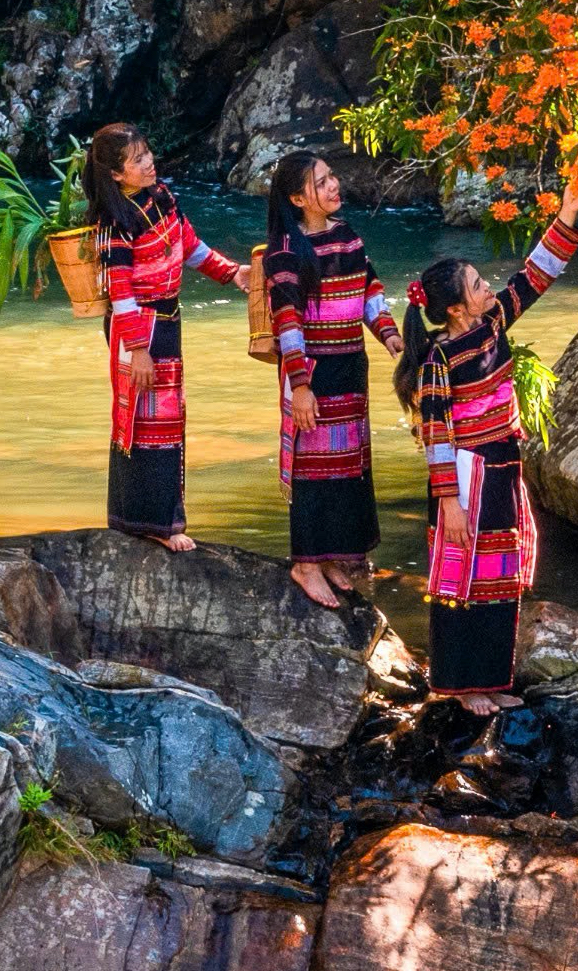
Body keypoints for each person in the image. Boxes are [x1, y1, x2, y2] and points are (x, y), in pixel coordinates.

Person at [393, 185, 578, 715]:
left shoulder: (493, 322)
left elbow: (535, 276)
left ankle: (492, 677)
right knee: (462, 579)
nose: (489, 290)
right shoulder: (437, 359)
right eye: (478, 287)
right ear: (454, 309)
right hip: (465, 474)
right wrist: (449, 501)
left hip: (503, 462)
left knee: (499, 574)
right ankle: (458, 684)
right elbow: (435, 434)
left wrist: (567, 214)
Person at [83, 122, 249, 551]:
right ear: (116, 174)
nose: (149, 162)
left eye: (147, 153)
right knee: (143, 424)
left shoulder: (163, 199)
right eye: (137, 159)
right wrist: (138, 350)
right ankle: (152, 524)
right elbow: (119, 290)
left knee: (168, 422)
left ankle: (153, 519)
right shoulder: (113, 222)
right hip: (137, 328)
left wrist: (232, 273)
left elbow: (189, 246)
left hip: (167, 322)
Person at [264, 149, 404, 610]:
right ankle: (305, 562)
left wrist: (392, 340)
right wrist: (300, 385)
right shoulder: (287, 253)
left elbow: (370, 292)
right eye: (321, 182)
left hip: (350, 367)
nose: (332, 186)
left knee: (344, 466)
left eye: (331, 177)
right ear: (296, 198)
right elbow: (288, 323)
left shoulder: (346, 237)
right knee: (312, 468)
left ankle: (329, 558)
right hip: (313, 372)